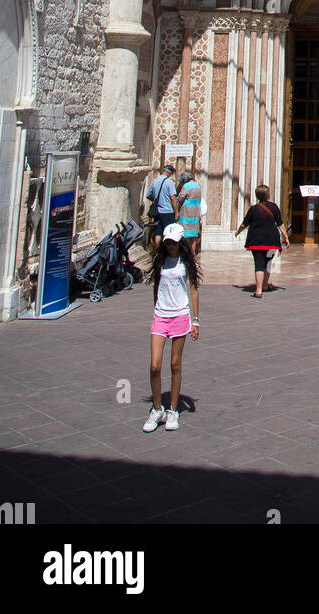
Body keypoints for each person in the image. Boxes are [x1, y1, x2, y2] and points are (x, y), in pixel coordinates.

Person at [143, 222, 201, 433]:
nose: (170, 246)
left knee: (175, 364)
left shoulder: (186, 262)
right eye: (168, 243)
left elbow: (194, 290)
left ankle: (173, 410)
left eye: (174, 243)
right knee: (154, 365)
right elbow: (157, 287)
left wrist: (195, 321)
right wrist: (157, 308)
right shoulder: (160, 262)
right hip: (161, 315)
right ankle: (157, 409)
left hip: (179, 315)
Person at [234, 184, 289, 298]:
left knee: (259, 265)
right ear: (268, 194)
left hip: (257, 241)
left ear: (257, 195)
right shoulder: (274, 207)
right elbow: (280, 224)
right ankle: (264, 285)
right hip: (271, 241)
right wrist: (286, 237)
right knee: (268, 263)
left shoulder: (253, 209)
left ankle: (259, 290)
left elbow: (244, 224)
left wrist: (237, 232)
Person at [146, 163, 177, 242]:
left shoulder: (155, 181)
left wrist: (157, 200)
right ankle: (165, 251)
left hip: (158, 212)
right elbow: (173, 198)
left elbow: (149, 195)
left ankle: (157, 249)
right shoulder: (169, 182)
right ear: (170, 173)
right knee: (169, 232)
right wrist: (176, 212)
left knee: (158, 232)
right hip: (168, 211)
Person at [176, 171, 203, 256]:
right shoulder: (197, 185)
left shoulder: (186, 186)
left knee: (186, 232)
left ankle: (186, 252)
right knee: (194, 233)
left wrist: (178, 201)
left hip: (187, 211)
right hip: (195, 212)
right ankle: (193, 252)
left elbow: (181, 197)